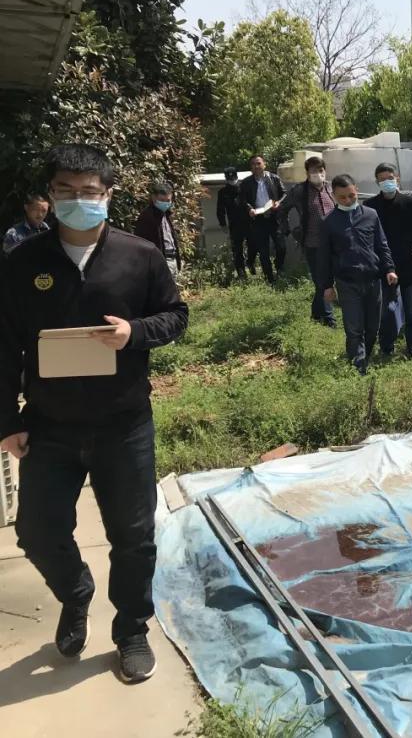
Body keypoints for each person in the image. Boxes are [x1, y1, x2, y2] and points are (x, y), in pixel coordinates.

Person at [0, 143, 189, 683]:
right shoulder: (24, 262)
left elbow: (176, 317)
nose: (78, 200)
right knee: (36, 532)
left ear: (108, 195)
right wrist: (7, 422)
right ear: (51, 196)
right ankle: (75, 591)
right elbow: (5, 344)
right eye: (67, 191)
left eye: (90, 193)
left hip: (123, 423)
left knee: (133, 537)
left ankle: (131, 629)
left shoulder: (139, 256)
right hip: (49, 425)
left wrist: (135, 334)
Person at [317, 174, 397, 375]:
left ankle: (364, 357)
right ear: (334, 196)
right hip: (347, 283)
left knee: (372, 328)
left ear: (356, 189)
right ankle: (358, 370)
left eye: (351, 195)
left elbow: (382, 244)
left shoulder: (371, 215)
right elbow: (324, 257)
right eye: (342, 197)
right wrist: (327, 286)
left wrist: (389, 269)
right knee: (354, 329)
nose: (348, 200)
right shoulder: (329, 223)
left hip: (372, 280)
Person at [364, 162, 412, 357]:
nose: (387, 182)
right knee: (386, 312)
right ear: (377, 182)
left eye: (390, 178)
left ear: (397, 179)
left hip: (407, 265)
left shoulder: (409, 202)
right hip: (383, 267)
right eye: (382, 179)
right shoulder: (371, 207)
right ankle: (386, 347)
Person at [281, 156, 337, 326]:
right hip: (312, 243)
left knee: (328, 279)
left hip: (332, 243)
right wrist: (288, 229)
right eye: (313, 171)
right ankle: (328, 317)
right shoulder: (300, 191)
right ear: (307, 173)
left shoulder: (330, 189)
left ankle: (316, 313)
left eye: (320, 170)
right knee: (321, 280)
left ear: (325, 171)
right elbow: (283, 209)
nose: (317, 174)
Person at [239, 155, 287, 282]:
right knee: (263, 251)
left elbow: (284, 194)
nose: (256, 166)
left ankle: (279, 268)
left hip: (273, 217)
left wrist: (278, 202)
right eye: (253, 164)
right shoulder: (246, 182)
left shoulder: (274, 178)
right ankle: (269, 278)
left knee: (281, 246)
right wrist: (249, 208)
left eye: (258, 163)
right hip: (258, 219)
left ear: (264, 164)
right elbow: (242, 200)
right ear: (251, 168)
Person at [133, 181, 182, 278]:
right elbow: (141, 243)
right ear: (154, 198)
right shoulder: (147, 216)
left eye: (168, 201)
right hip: (159, 262)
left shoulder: (166, 215)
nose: (166, 203)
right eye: (162, 200)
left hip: (172, 259)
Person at [216, 166, 255, 278]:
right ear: (226, 179)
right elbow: (220, 210)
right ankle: (241, 272)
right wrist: (222, 223)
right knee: (237, 250)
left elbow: (251, 203)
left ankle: (250, 262)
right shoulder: (223, 192)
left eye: (233, 177)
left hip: (249, 222)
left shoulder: (244, 188)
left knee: (253, 245)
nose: (232, 180)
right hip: (234, 224)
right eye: (229, 178)